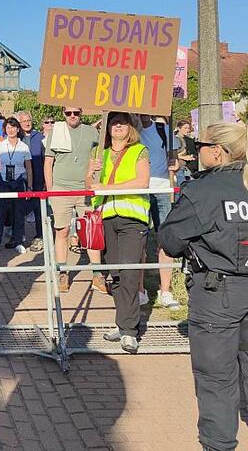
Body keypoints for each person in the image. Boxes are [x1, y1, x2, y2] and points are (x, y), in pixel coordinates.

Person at [159, 122, 248, 451]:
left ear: (218, 151)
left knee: (217, 379)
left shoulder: (204, 190)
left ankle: (219, 445)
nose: (195, 152)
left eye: (199, 146)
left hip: (218, 295)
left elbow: (169, 239)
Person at [85, 113, 150, 354]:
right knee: (116, 274)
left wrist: (107, 187)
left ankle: (130, 330)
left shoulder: (139, 150)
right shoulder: (97, 153)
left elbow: (142, 181)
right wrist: (91, 172)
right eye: (113, 122)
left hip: (133, 219)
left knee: (130, 272)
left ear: (130, 127)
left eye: (122, 121)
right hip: (107, 218)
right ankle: (122, 323)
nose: (118, 126)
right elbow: (89, 187)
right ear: (107, 127)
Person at [44, 107, 104, 293]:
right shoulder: (57, 131)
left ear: (81, 113)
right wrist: (50, 190)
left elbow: (101, 154)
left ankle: (97, 274)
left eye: (76, 113)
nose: (72, 116)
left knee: (91, 231)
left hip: (85, 189)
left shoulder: (92, 132)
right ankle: (62, 272)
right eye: (68, 113)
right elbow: (48, 163)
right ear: (63, 113)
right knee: (62, 231)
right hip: (61, 188)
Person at [137, 114, 181, 309]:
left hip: (163, 188)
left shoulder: (163, 129)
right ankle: (139, 290)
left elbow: (175, 159)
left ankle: (165, 291)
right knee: (139, 241)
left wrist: (177, 164)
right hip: (139, 189)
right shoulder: (131, 131)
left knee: (164, 240)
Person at [0, 117, 32, 254]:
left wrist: (29, 186)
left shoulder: (24, 147)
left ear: (18, 129)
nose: (11, 130)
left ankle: (18, 241)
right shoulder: (0, 146)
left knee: (19, 212)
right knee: (1, 212)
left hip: (18, 180)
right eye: (8, 127)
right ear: (5, 130)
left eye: (13, 127)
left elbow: (29, 168)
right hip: (3, 180)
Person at [18, 111, 45, 251]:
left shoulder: (40, 137)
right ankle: (19, 236)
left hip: (38, 179)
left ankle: (39, 236)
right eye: (23, 121)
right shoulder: (16, 137)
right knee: (20, 209)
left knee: (39, 209)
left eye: (29, 120)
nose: (27, 123)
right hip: (21, 179)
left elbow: (46, 159)